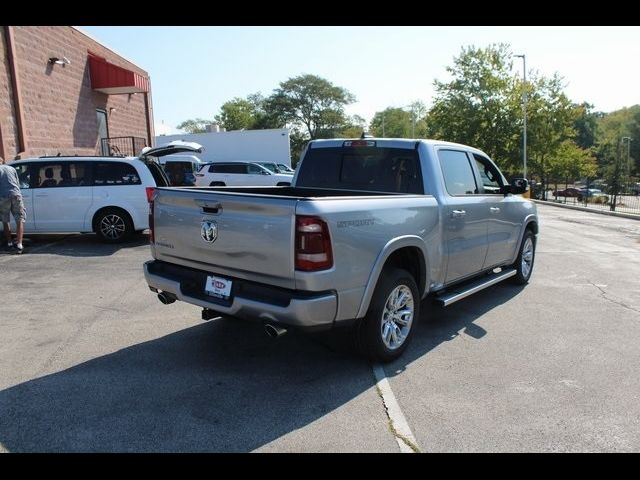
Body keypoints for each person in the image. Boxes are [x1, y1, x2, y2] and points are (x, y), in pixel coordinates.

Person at [0, 157, 26, 254]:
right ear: (3, 161)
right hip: (16, 195)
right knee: (19, 219)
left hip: (3, 196)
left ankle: (10, 244)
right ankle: (19, 245)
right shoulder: (12, 168)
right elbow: (18, 184)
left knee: (5, 221)